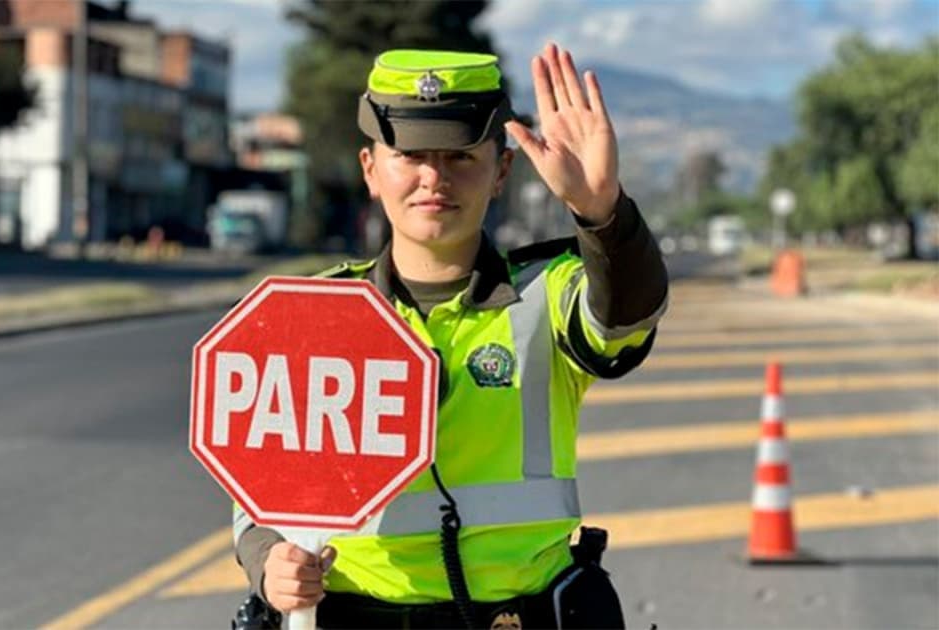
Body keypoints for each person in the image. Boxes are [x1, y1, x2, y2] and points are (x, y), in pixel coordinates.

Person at [232, 44, 668, 629]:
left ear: (502, 171)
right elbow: (257, 486)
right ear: (370, 170)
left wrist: (603, 213)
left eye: (461, 156)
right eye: (410, 155)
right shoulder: (314, 312)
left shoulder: (549, 294)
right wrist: (269, 563)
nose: (433, 178)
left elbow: (625, 316)